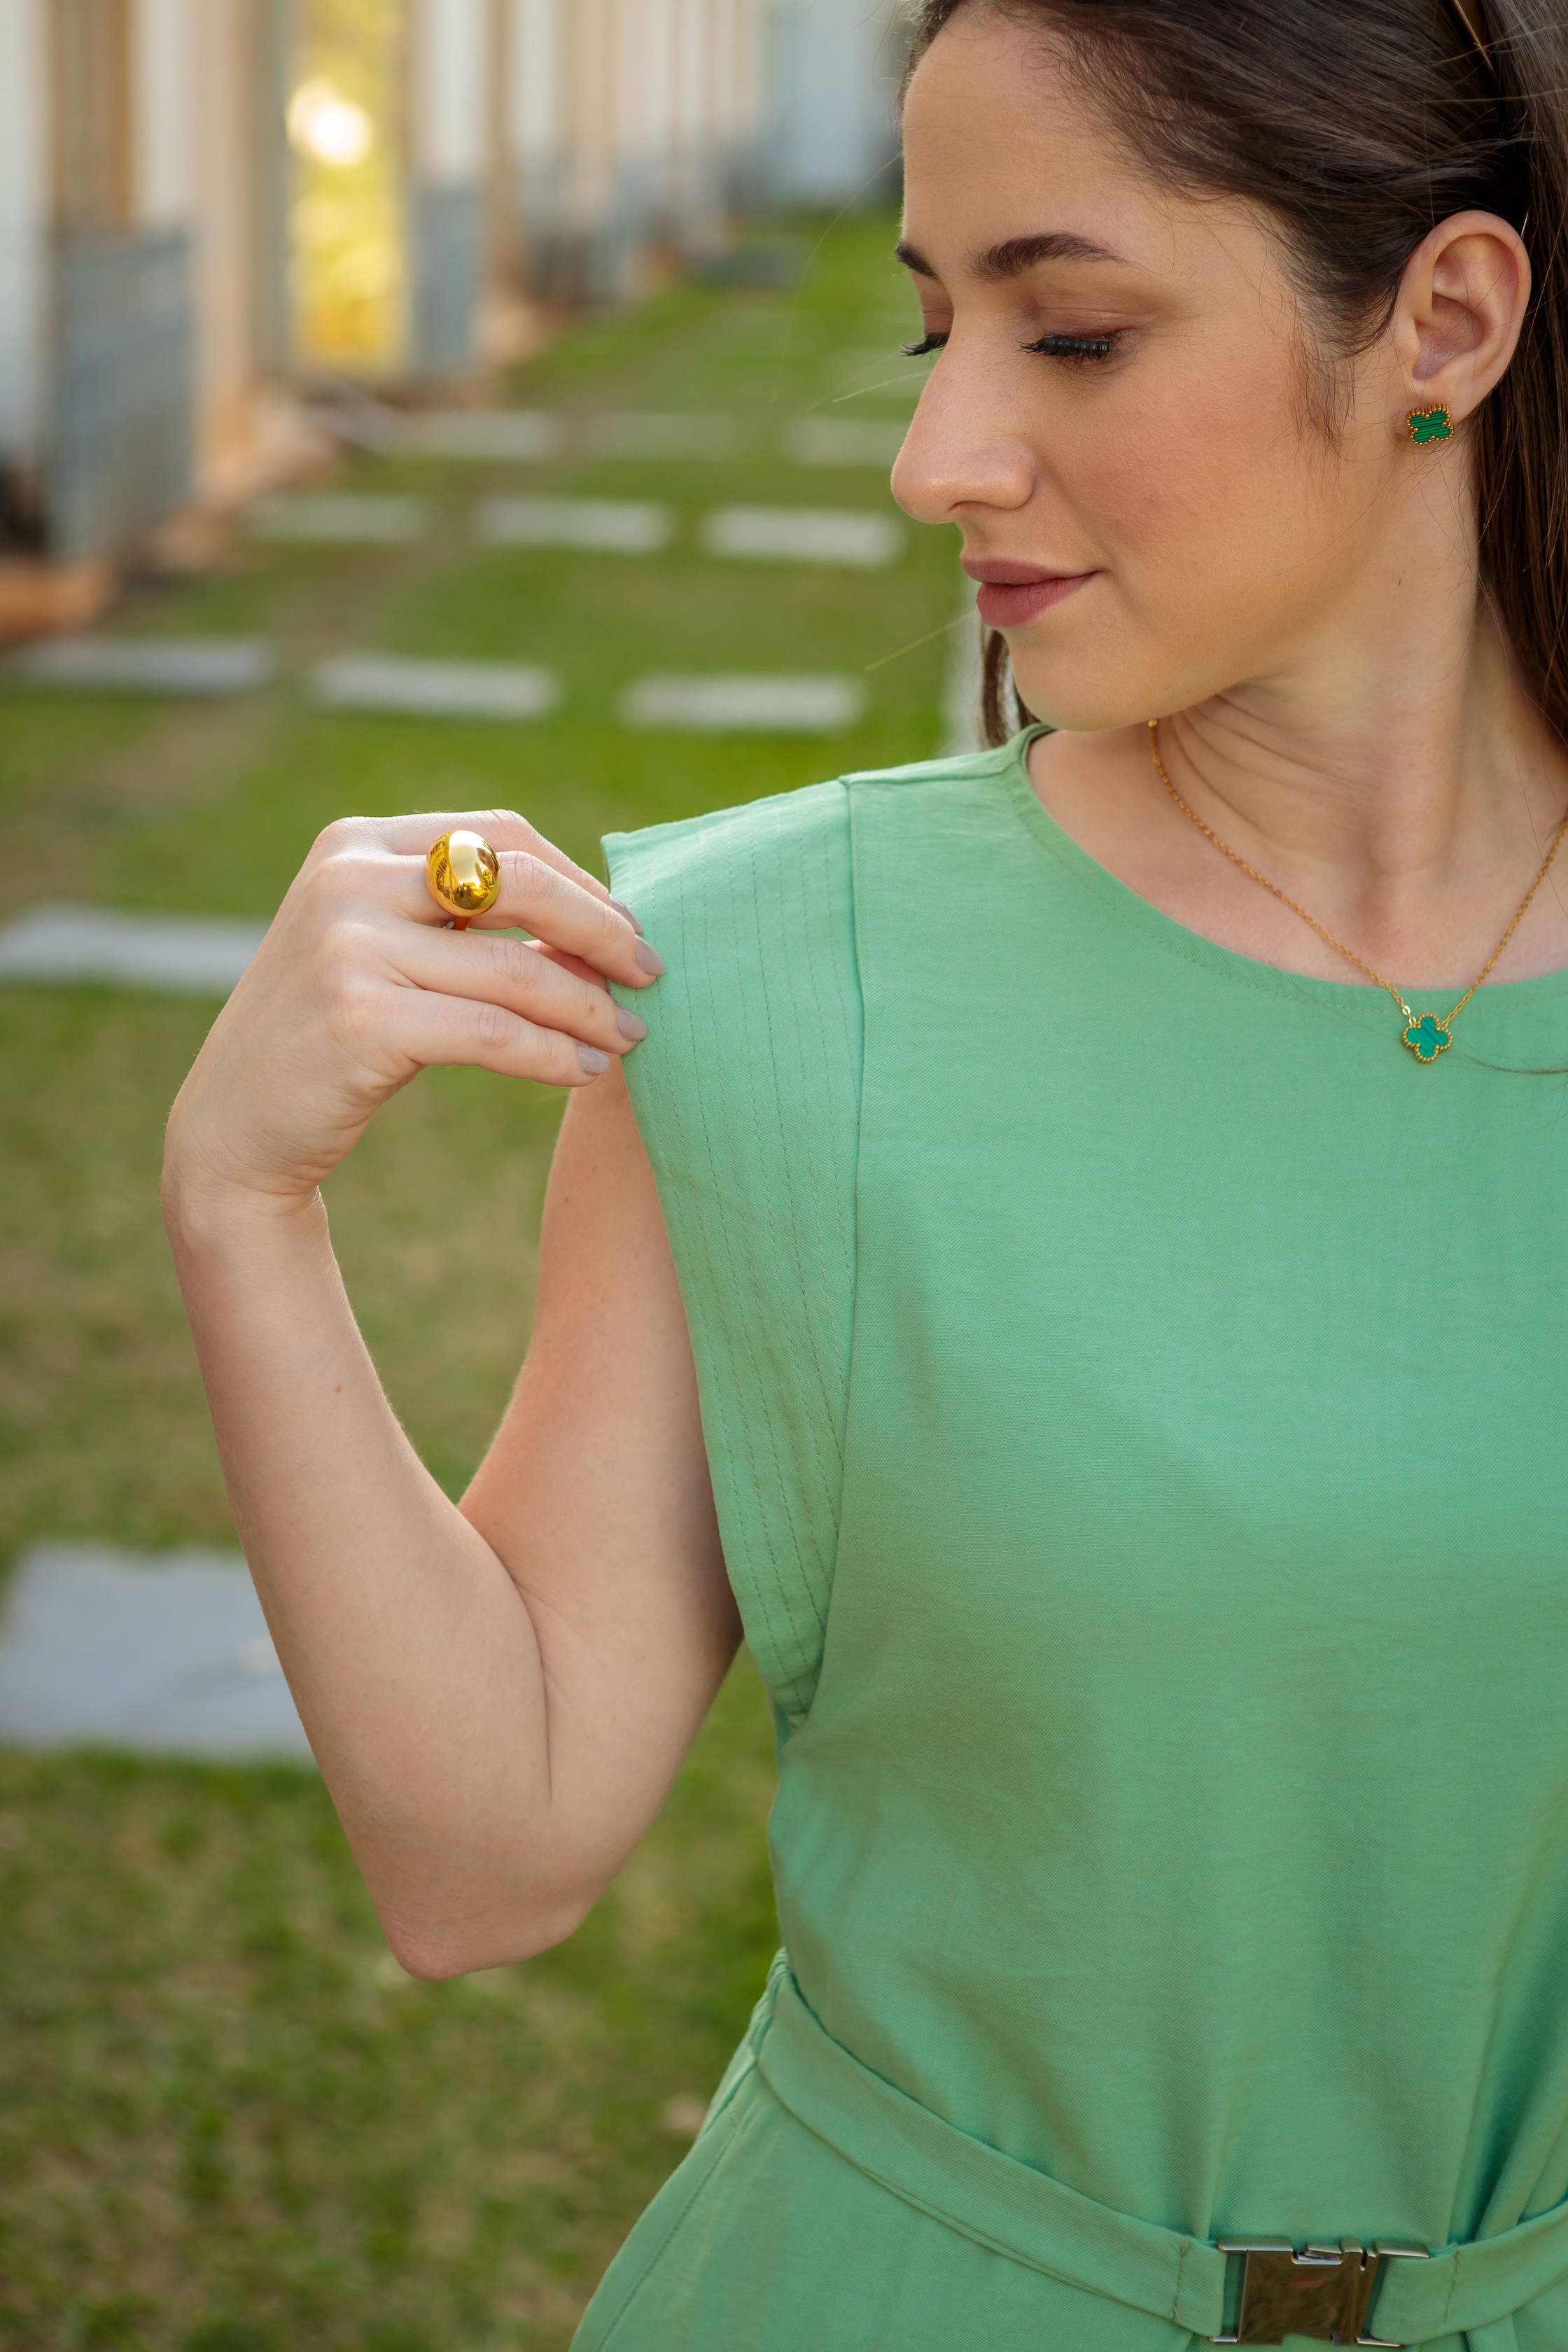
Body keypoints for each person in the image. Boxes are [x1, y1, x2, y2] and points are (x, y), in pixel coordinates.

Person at [164, 0, 1568, 2343]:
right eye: (935, 326)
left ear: (1445, 318)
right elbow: (479, 1857)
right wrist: (242, 1207)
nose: (938, 454)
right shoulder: (765, 973)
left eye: (1074, 329)